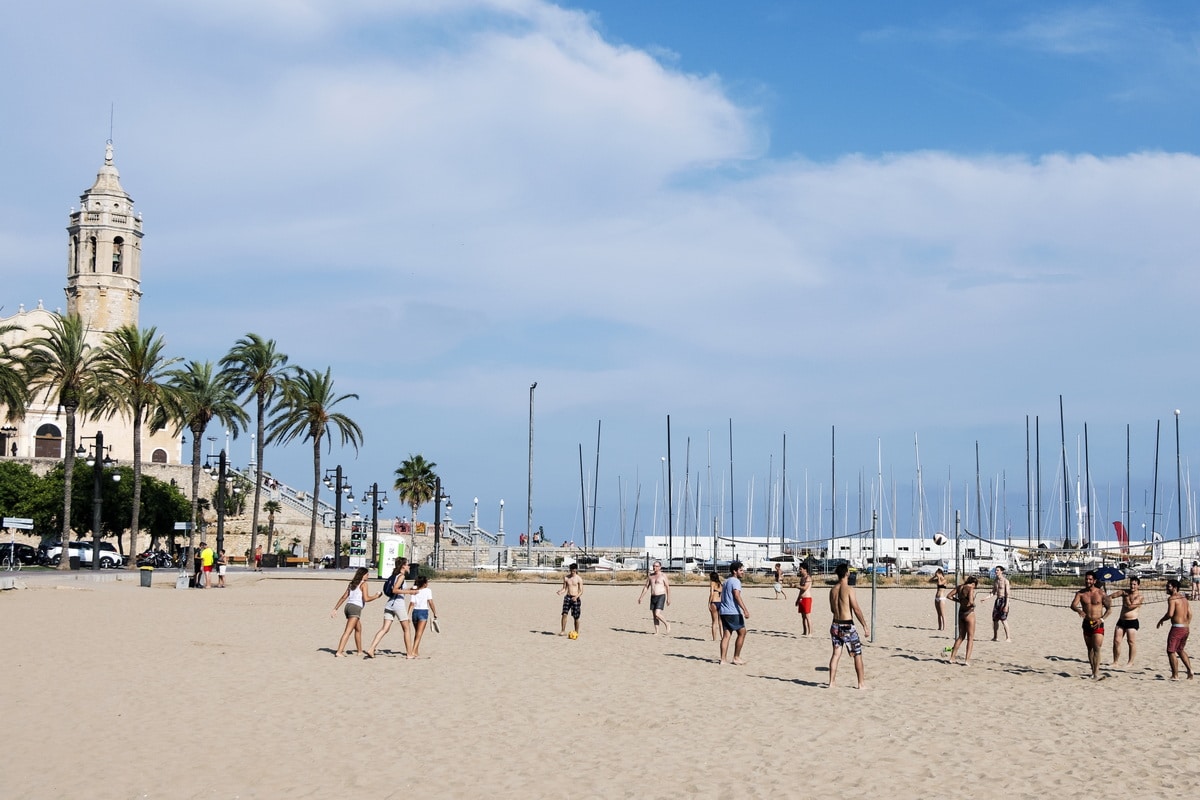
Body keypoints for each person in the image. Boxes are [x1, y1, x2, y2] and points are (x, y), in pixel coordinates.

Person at [828, 562, 869, 688]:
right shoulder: (849, 589)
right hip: (847, 625)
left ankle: (831, 682)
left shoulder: (832, 590)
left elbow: (832, 609)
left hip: (835, 624)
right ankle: (861, 683)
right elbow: (856, 609)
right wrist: (865, 626)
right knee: (857, 654)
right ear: (847, 573)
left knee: (836, 654)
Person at [365, 557, 413, 659]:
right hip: (398, 604)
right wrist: (409, 592)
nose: (409, 566)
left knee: (385, 629)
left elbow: (396, 589)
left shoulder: (394, 576)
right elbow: (395, 590)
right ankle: (409, 653)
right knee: (406, 629)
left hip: (389, 604)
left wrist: (409, 589)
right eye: (407, 564)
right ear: (403, 566)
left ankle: (371, 648)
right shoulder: (401, 576)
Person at [1069, 570, 1112, 680]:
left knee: (1097, 647)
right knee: (1090, 649)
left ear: (1094, 581)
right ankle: (1093, 670)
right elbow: (1073, 605)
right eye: (1086, 579)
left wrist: (1102, 619)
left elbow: (1109, 610)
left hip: (1098, 624)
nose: (1088, 581)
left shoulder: (1101, 593)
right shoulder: (1081, 593)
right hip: (1087, 623)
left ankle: (1096, 672)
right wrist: (1079, 611)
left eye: (1090, 579)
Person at [330, 567, 379, 657]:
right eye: (367, 574)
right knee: (348, 631)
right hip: (355, 608)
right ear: (363, 575)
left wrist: (335, 608)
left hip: (348, 607)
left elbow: (344, 597)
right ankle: (339, 651)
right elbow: (366, 598)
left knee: (358, 629)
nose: (368, 576)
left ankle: (359, 651)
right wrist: (376, 596)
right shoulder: (364, 584)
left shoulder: (352, 584)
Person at [1157, 578, 1193, 680]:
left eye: (1168, 587)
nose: (1166, 588)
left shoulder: (1172, 598)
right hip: (1186, 628)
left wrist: (1162, 619)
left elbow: (1170, 614)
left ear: (1175, 588)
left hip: (1177, 628)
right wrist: (1186, 624)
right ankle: (1190, 670)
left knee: (1170, 651)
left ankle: (1175, 675)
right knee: (1180, 650)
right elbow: (1190, 613)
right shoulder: (1184, 598)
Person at [718, 561, 750, 665]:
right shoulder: (735, 581)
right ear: (734, 571)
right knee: (742, 632)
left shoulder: (726, 581)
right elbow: (736, 595)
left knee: (726, 635)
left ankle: (723, 659)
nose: (743, 572)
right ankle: (736, 657)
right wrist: (745, 609)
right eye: (741, 570)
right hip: (732, 611)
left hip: (724, 611)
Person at [1108, 576, 1143, 667]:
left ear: (1138, 586)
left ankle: (1130, 662)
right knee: (1116, 641)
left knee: (1131, 642)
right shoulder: (1124, 592)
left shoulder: (1140, 597)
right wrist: (1108, 601)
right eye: (1131, 584)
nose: (1132, 586)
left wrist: (1126, 597)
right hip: (1121, 620)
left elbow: (1130, 606)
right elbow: (1112, 596)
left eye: (1134, 584)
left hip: (1132, 621)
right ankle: (1115, 662)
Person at [406, 575, 438, 659]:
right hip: (423, 612)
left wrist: (408, 614)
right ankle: (413, 651)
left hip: (415, 612)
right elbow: (430, 602)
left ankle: (416, 651)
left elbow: (412, 603)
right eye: (427, 582)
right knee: (419, 634)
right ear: (424, 584)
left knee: (417, 633)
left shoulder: (415, 590)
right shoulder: (428, 591)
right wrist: (435, 612)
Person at [948, 576, 977, 666]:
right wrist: (973, 604)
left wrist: (959, 601)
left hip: (961, 613)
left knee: (960, 637)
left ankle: (952, 657)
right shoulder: (971, 588)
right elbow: (971, 602)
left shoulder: (959, 587)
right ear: (973, 584)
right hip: (969, 613)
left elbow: (949, 596)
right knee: (970, 638)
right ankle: (967, 660)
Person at [637, 560, 671, 634]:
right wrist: (641, 597)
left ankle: (667, 624)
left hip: (661, 596)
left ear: (660, 567)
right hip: (653, 597)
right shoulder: (651, 576)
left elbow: (667, 587)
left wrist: (668, 598)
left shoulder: (663, 575)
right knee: (654, 616)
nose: (654, 567)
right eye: (653, 566)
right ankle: (657, 632)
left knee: (657, 614)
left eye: (656, 566)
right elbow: (646, 587)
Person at [557, 562, 583, 636]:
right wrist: (560, 592)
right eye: (571, 570)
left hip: (576, 598)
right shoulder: (566, 578)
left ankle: (576, 632)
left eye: (574, 571)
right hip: (567, 597)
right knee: (564, 614)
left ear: (576, 570)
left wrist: (576, 597)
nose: (572, 572)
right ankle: (563, 630)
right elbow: (564, 588)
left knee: (576, 616)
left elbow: (581, 591)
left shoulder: (579, 579)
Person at [986, 566, 1010, 642]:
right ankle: (995, 637)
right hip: (997, 601)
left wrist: (1006, 605)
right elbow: (993, 592)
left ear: (1001, 571)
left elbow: (1008, 594)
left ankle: (1008, 638)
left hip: (1004, 601)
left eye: (997, 570)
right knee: (995, 619)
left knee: (1003, 620)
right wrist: (986, 598)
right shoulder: (996, 581)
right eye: (996, 570)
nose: (996, 572)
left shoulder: (1006, 581)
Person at [795, 564, 813, 635]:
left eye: (801, 569)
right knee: (803, 617)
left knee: (807, 616)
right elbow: (801, 591)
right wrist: (797, 599)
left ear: (805, 569)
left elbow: (805, 588)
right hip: (802, 599)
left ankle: (810, 632)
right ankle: (805, 631)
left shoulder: (808, 578)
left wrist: (796, 586)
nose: (800, 570)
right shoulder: (802, 578)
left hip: (807, 598)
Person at [707, 571, 722, 641]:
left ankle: (714, 638)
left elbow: (711, 594)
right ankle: (722, 637)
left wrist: (709, 602)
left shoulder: (712, 583)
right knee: (720, 622)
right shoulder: (720, 584)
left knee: (714, 622)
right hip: (720, 602)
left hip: (714, 602)